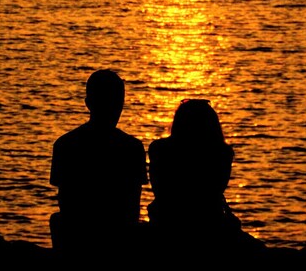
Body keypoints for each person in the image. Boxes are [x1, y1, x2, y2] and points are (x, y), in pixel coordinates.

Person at [147, 98, 265, 257]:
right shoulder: (223, 153)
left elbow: (159, 190)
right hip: (210, 223)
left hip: (166, 221)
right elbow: (216, 192)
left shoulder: (159, 149)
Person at [49, 69, 148, 256]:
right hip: (117, 240)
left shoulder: (65, 144)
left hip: (76, 238)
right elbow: (132, 205)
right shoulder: (132, 147)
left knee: (58, 219)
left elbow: (66, 200)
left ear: (88, 103)